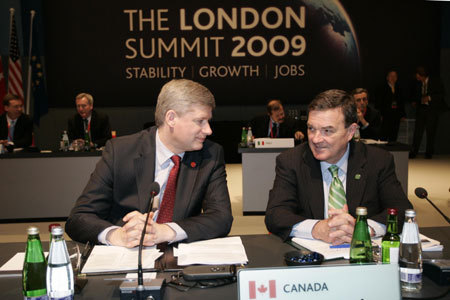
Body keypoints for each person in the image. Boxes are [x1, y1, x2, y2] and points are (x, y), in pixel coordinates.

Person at [65, 79, 233, 247]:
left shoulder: (210, 155)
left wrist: (166, 231)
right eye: (200, 121)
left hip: (177, 258)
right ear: (171, 118)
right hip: (125, 257)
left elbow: (221, 217)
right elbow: (79, 218)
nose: (208, 130)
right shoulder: (120, 152)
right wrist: (116, 235)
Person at [265, 89, 413, 245]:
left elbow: (401, 210)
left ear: (350, 132)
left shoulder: (378, 161)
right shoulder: (290, 161)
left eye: (327, 131)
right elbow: (275, 214)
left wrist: (363, 228)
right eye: (311, 129)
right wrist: (316, 228)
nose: (316, 139)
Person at [409, 66, 446, 159]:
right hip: (421, 109)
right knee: (417, 132)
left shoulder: (435, 81)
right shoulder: (417, 83)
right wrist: (415, 101)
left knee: (431, 132)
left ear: (423, 75)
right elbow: (414, 95)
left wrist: (429, 98)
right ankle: (414, 152)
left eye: (418, 76)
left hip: (432, 110)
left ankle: (429, 152)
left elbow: (441, 94)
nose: (417, 78)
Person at [375, 70, 406, 142]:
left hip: (396, 116)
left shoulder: (399, 88)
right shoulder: (381, 88)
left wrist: (403, 115)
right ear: (387, 77)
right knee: (383, 135)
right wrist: (380, 115)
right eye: (391, 76)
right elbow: (378, 103)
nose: (393, 78)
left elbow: (402, 103)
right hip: (385, 116)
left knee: (394, 136)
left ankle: (393, 151)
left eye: (395, 76)